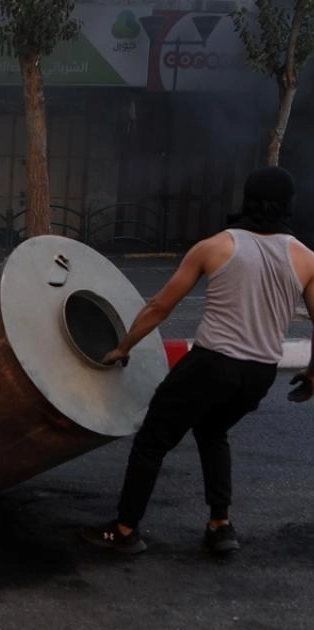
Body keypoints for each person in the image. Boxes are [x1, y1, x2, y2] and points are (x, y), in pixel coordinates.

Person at [79, 166, 314, 555]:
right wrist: (311, 374)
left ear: (247, 199)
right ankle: (220, 526)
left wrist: (124, 347)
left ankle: (124, 530)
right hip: (259, 374)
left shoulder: (215, 246)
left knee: (153, 441)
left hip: (210, 364)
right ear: (289, 205)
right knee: (212, 431)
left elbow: (160, 306)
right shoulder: (306, 258)